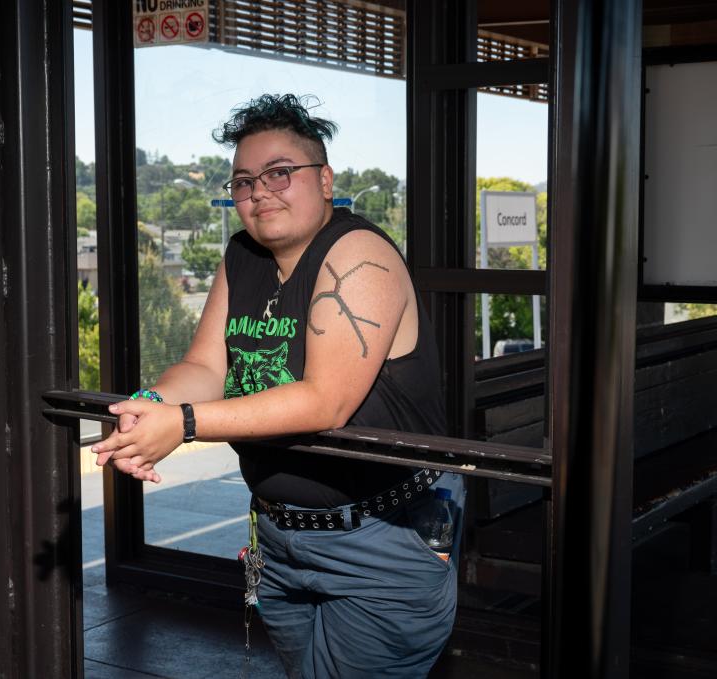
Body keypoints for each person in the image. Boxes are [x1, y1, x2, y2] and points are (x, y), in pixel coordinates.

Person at [90, 93, 462, 678]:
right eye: (243, 181)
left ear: (326, 179)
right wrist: (154, 404)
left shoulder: (359, 255)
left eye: (280, 173)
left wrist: (184, 425)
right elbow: (206, 368)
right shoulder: (243, 256)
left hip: (381, 538)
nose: (260, 190)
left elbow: (326, 400)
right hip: (280, 539)